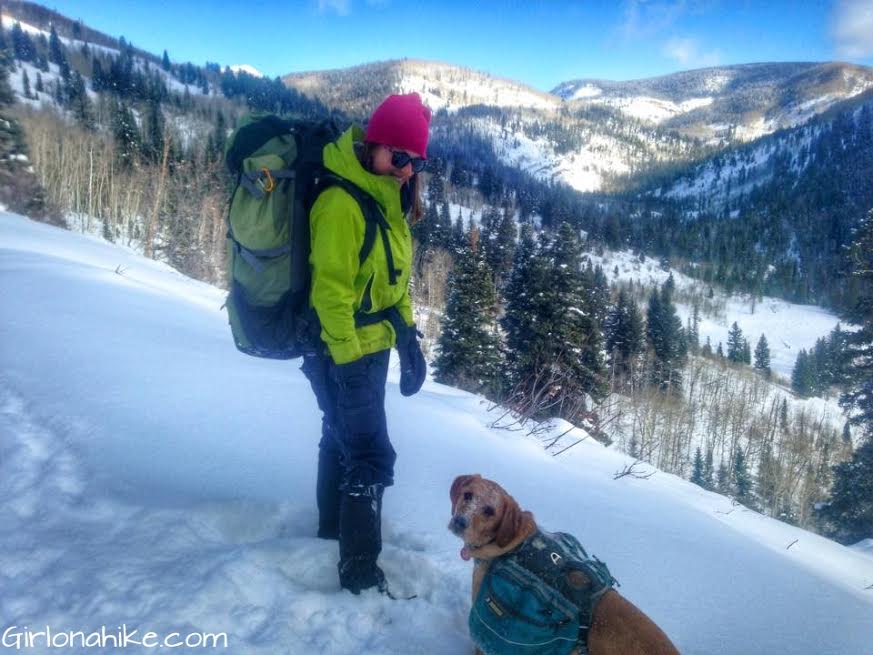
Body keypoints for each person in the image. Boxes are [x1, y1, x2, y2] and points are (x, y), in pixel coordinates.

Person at [301, 93, 430, 595]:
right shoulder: (341, 203)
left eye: (415, 161)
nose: (405, 170)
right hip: (340, 348)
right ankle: (359, 574)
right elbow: (330, 293)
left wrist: (408, 340)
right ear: (373, 146)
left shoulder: (386, 197)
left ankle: (330, 533)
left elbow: (395, 283)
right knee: (371, 456)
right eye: (398, 157)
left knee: (342, 439)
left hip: (370, 347)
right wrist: (348, 363)